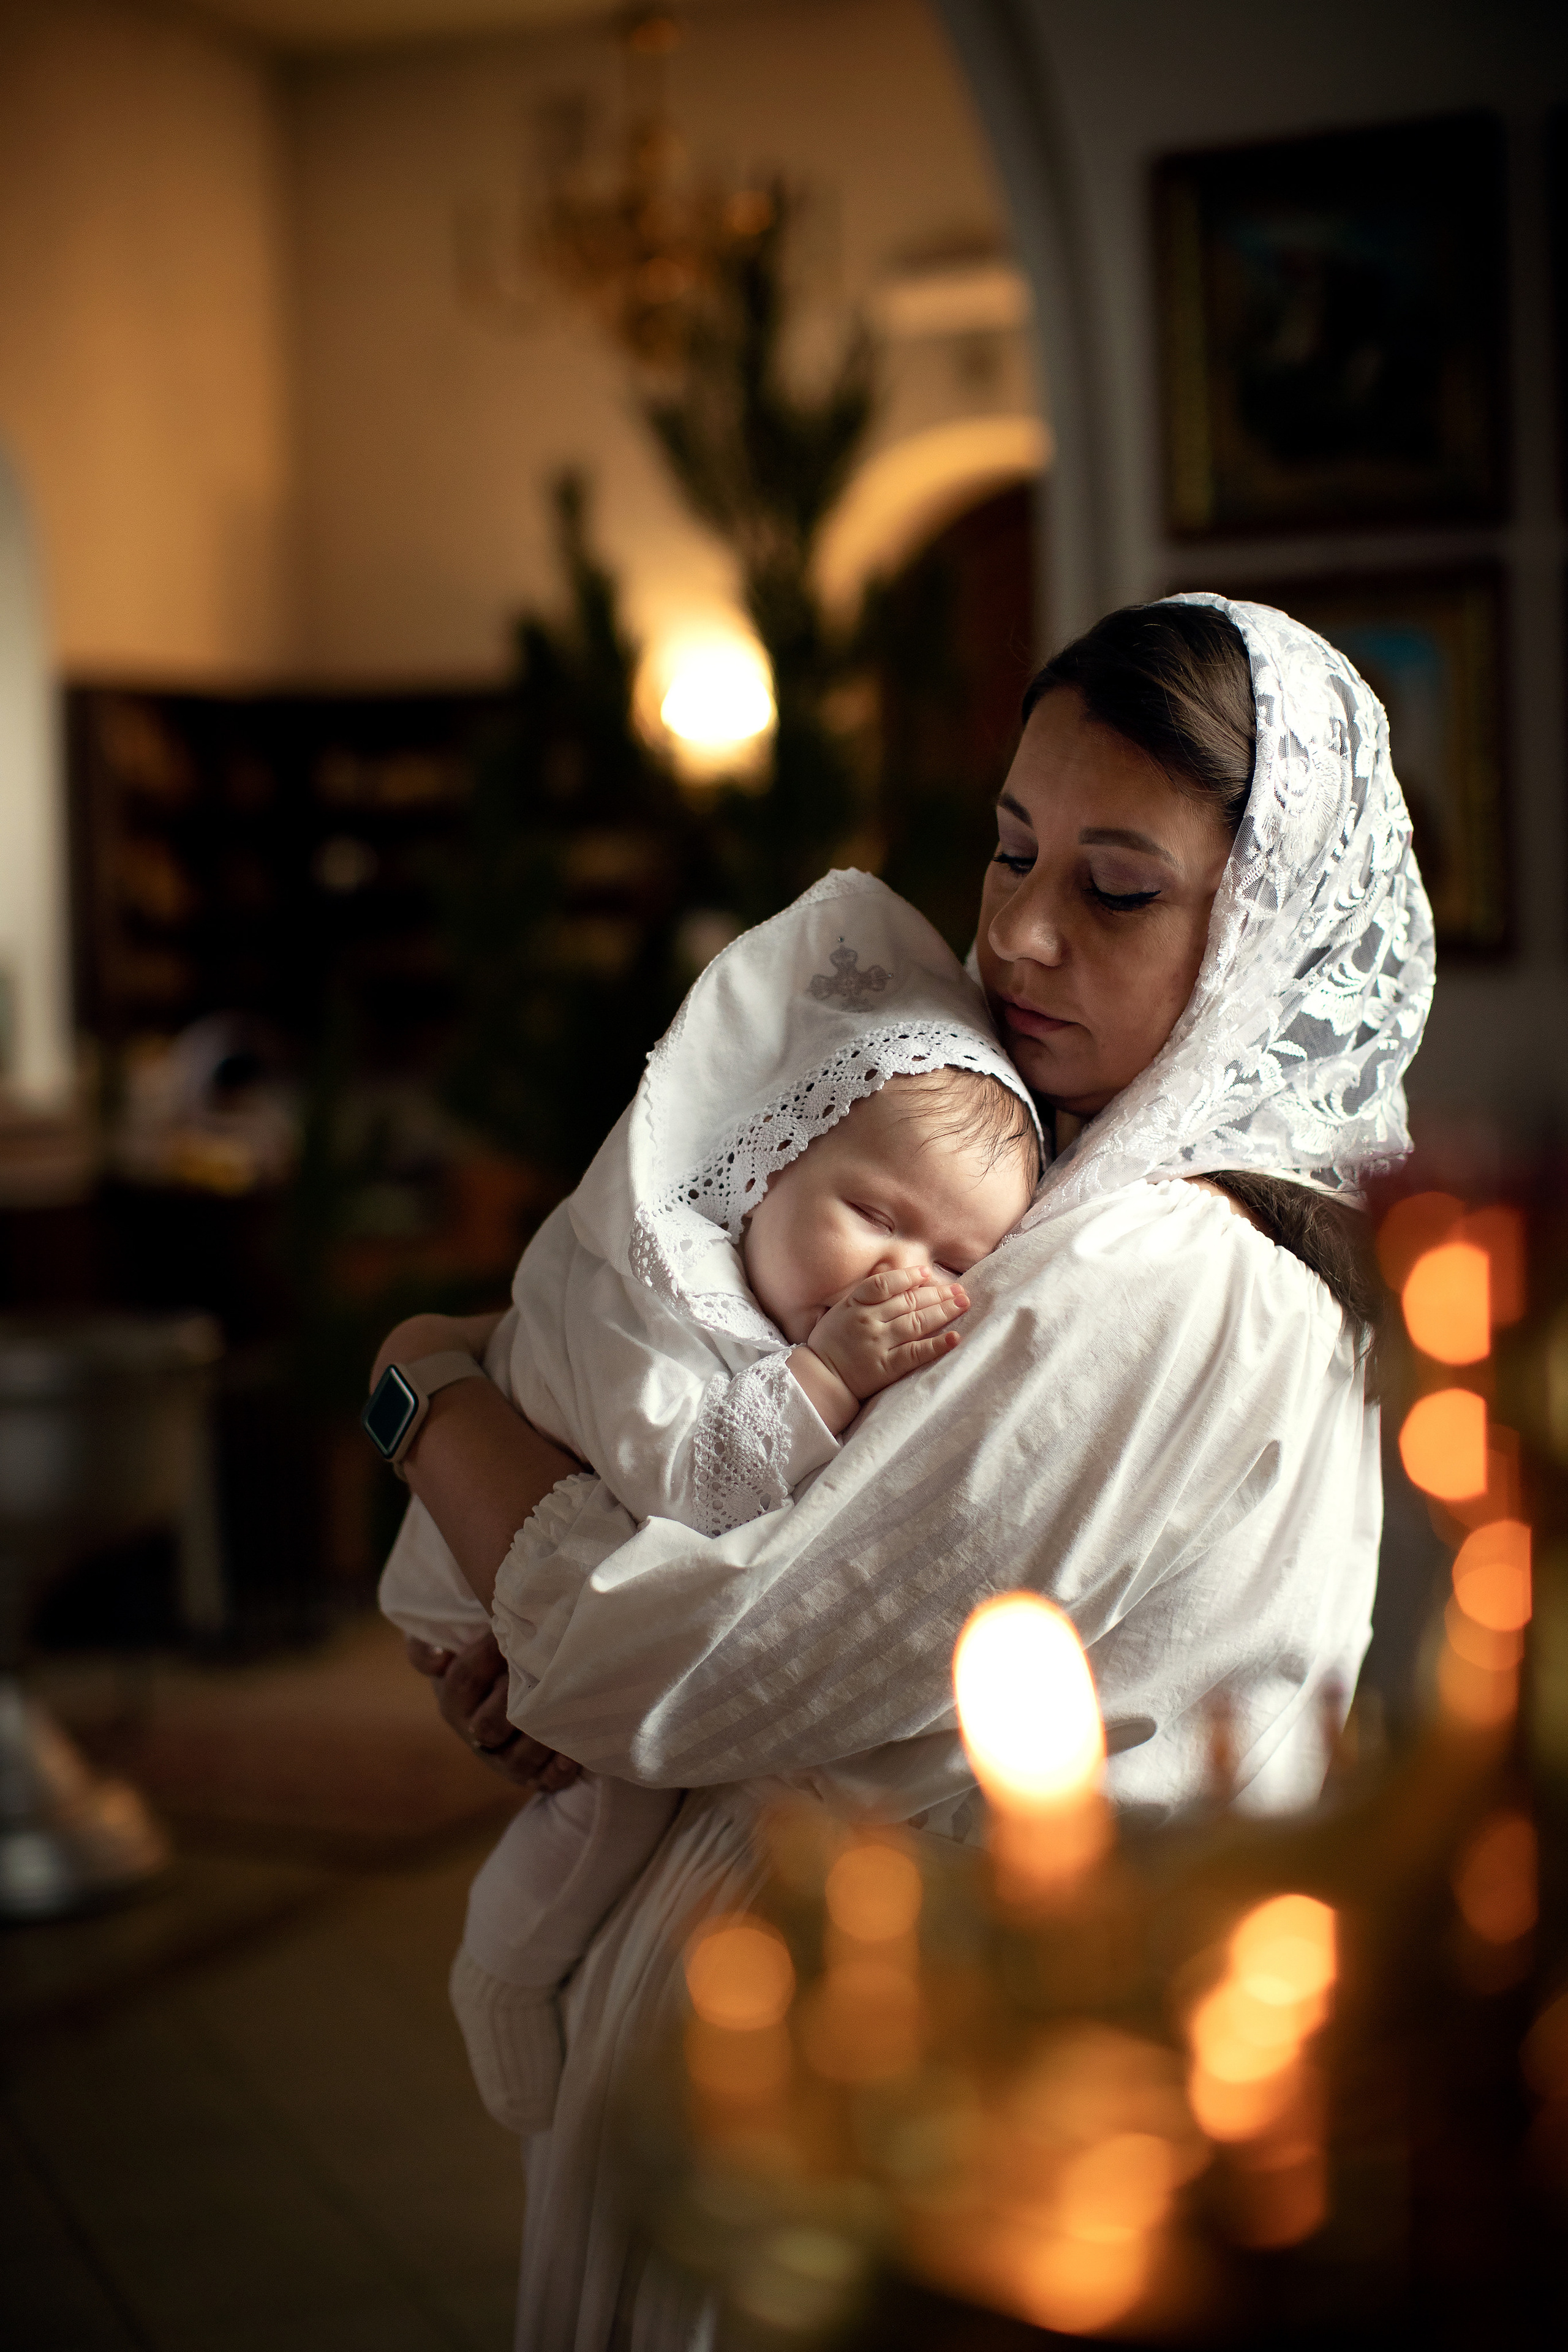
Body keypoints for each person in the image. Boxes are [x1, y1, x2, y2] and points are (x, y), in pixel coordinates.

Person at [377, 595, 1434, 2352]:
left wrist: (427, 1395)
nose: (1017, 932)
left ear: (1262, 935)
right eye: (1009, 849)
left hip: (891, 2112)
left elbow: (655, 1669)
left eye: (1115, 888)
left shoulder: (1166, 1276)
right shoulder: (1092, 1200)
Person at [374, 874, 1039, 2133]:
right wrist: (829, 1374)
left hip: (531, 1564)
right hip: (470, 1585)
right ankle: (503, 1969)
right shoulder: (658, 1298)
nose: (904, 1278)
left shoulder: (771, 1303)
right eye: (874, 1217)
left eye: (955, 1262)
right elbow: (689, 1479)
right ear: (765, 1163)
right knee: (611, 1791)